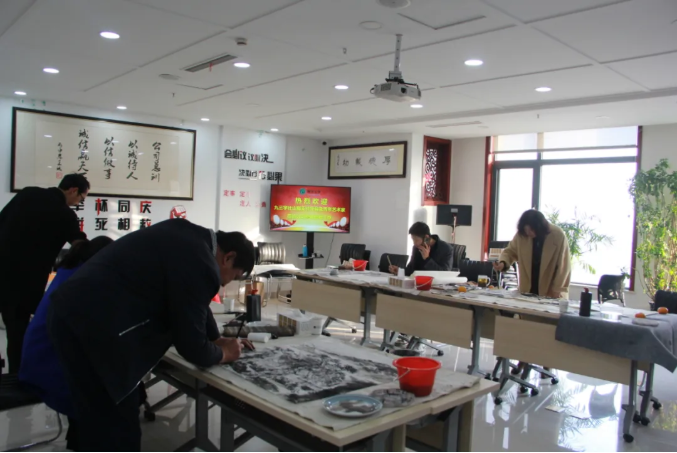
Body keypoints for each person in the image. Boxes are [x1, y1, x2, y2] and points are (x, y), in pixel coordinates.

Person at [47, 219, 255, 451]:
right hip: (94, 332)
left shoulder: (188, 237)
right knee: (117, 430)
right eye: (234, 276)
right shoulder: (201, 261)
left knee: (92, 417)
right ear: (228, 258)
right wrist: (223, 353)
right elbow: (192, 348)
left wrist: (215, 338)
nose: (226, 284)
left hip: (73, 318)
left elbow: (194, 301)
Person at [19, 236, 114, 451]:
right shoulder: (84, 281)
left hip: (39, 361)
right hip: (50, 369)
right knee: (109, 393)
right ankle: (86, 441)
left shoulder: (70, 271)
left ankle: (80, 438)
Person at [0, 173, 89, 372]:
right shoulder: (65, 214)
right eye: (81, 198)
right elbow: (79, 245)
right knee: (17, 331)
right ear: (73, 190)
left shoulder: (27, 194)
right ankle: (17, 375)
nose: (78, 203)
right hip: (25, 281)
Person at [493, 209, 571, 298]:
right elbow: (510, 252)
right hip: (527, 291)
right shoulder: (522, 235)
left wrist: (558, 289)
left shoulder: (557, 235)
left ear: (539, 227)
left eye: (531, 230)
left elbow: (563, 267)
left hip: (550, 292)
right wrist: (503, 263)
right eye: (526, 230)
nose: (528, 233)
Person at [389, 222, 453, 276]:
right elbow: (411, 269)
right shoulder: (417, 247)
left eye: (416, 240)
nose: (415, 243)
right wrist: (399, 271)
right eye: (413, 240)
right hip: (418, 283)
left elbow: (444, 274)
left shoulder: (446, 249)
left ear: (426, 237)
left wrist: (427, 259)